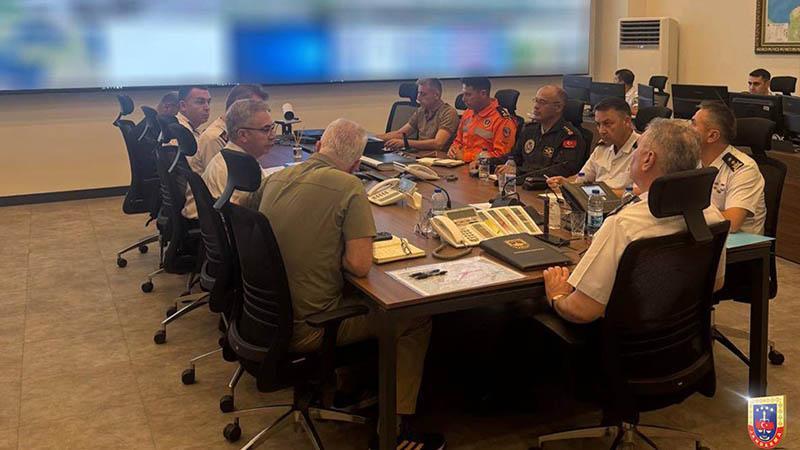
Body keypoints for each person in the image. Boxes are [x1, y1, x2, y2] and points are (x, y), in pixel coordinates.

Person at [257, 118, 443, 449]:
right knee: (413, 317)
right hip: (310, 328)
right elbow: (359, 265)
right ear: (357, 164)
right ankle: (394, 429)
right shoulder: (348, 186)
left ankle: (347, 388)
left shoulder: (276, 178)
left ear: (318, 147)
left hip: (265, 316)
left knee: (353, 294)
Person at [542, 119, 727, 323]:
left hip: (620, 340)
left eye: (637, 148)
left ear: (648, 159)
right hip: (684, 336)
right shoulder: (711, 215)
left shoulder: (624, 224)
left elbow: (581, 311)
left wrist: (557, 296)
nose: (633, 154)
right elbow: (716, 283)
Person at [182, 99, 274, 219]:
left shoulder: (237, 157)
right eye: (266, 130)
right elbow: (239, 219)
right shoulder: (232, 169)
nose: (273, 136)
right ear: (243, 135)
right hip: (215, 227)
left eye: (272, 128)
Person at [691, 101, 766, 234]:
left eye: (694, 124)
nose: (687, 128)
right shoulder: (693, 159)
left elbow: (732, 222)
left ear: (712, 136)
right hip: (704, 234)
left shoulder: (744, 169)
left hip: (737, 242)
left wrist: (685, 218)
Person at [547, 97, 639, 193]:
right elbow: (582, 178)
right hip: (595, 199)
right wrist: (566, 184)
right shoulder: (602, 147)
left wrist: (600, 194)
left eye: (607, 124)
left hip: (620, 202)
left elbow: (640, 192)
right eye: (598, 124)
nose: (601, 131)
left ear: (627, 122)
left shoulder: (642, 149)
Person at [495, 85, 587, 179]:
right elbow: (514, 157)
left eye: (542, 102)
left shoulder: (569, 136)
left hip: (545, 186)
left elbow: (560, 171)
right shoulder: (529, 129)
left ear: (558, 107)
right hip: (521, 182)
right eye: (536, 101)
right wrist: (489, 162)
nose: (536, 106)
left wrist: (518, 172)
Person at [190, 84, 269, 174]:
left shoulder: (236, 130)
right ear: (237, 107)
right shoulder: (213, 138)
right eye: (256, 109)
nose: (262, 113)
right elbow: (223, 175)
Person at [447, 77, 517, 164]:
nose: (463, 99)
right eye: (463, 94)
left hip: (483, 169)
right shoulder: (468, 112)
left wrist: (466, 157)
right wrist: (453, 149)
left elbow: (502, 156)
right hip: (460, 164)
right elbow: (458, 141)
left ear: (483, 93)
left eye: (468, 95)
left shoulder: (502, 120)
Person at [376, 78, 459, 151]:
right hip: (421, 155)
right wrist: (374, 138)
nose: (418, 98)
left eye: (423, 94)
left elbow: (438, 143)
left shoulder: (448, 113)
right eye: (418, 93)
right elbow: (401, 134)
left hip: (438, 158)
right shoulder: (421, 111)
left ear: (436, 95)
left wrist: (406, 143)